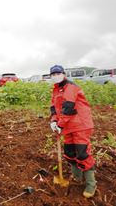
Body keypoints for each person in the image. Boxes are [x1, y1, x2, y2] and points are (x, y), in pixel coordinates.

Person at [49, 65, 97, 198]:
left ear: (63, 74)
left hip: (80, 125)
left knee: (82, 154)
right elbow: (54, 107)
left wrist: (60, 124)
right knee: (69, 152)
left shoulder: (71, 87)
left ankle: (91, 184)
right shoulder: (56, 90)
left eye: (58, 73)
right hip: (68, 126)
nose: (55, 76)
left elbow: (69, 107)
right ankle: (77, 176)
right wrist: (53, 121)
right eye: (52, 74)